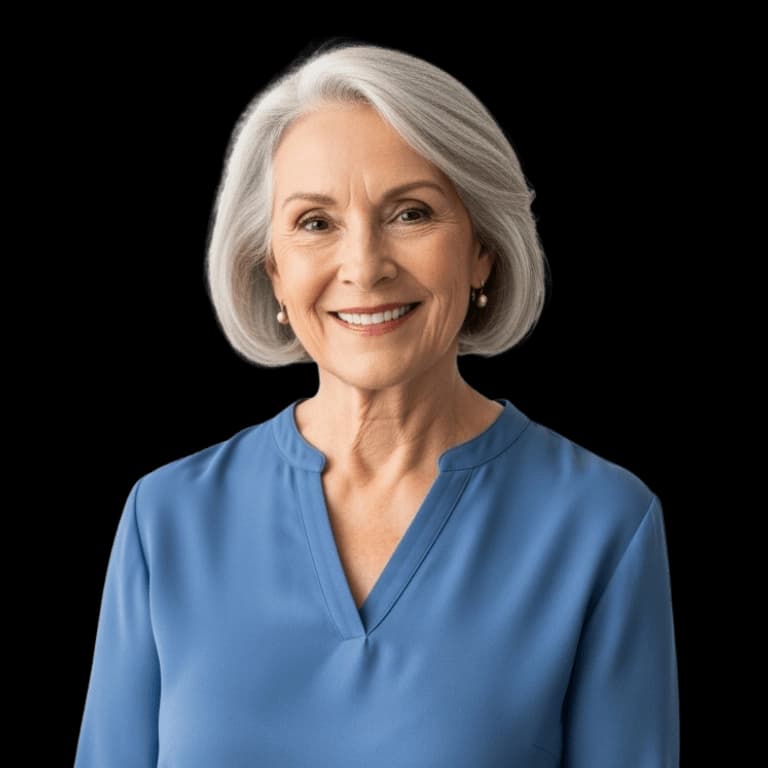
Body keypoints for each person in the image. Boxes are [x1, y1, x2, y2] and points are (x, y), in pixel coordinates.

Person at [75, 40, 679, 767]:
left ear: (481, 249)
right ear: (272, 268)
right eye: (314, 223)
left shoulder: (603, 524)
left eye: (411, 213)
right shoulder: (164, 518)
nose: (364, 266)